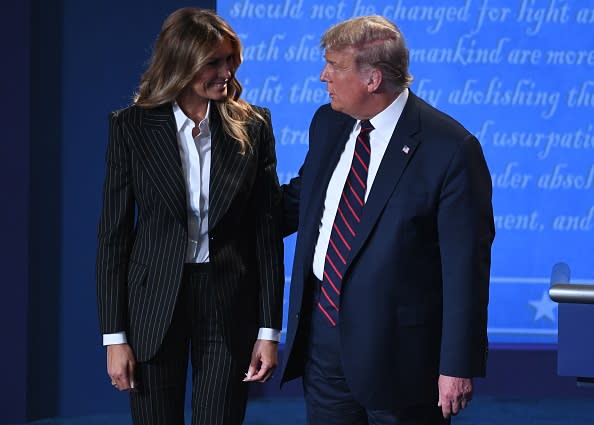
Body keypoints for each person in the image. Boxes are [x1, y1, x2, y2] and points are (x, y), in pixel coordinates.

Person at [279, 15, 494, 425]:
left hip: (402, 357)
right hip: (324, 343)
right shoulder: (328, 123)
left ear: (373, 79)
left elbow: (466, 269)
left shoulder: (449, 148)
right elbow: (299, 201)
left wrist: (456, 365)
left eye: (335, 66)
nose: (323, 76)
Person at [96, 7, 284, 425]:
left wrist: (269, 332)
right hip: (153, 306)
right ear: (181, 63)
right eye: (213, 62)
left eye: (230, 61)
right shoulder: (131, 127)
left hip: (228, 306)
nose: (226, 73)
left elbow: (266, 236)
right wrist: (115, 337)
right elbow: (114, 238)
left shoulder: (254, 126)